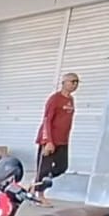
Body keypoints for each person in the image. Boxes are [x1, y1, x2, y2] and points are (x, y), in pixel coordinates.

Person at [35, 72, 78, 206]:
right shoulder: (55, 99)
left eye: (77, 82)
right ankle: (40, 196)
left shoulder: (70, 100)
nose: (75, 84)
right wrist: (48, 141)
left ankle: (36, 183)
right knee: (44, 167)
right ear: (64, 83)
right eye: (72, 81)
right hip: (50, 140)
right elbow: (47, 120)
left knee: (62, 167)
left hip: (63, 141)